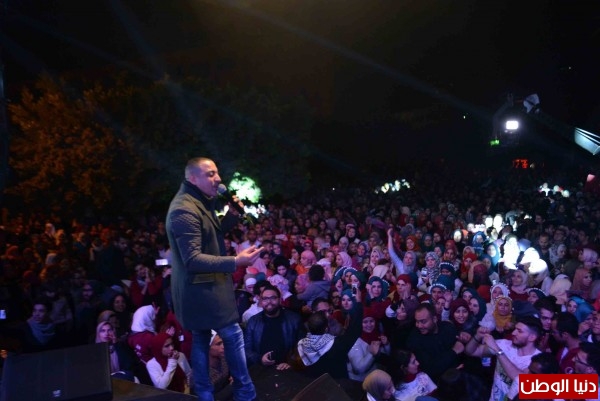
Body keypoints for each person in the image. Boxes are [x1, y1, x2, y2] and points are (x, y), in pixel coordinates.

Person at [166, 157, 263, 401]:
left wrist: (232, 215)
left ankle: (205, 394)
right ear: (192, 178)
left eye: (217, 173)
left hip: (202, 287)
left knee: (201, 338)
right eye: (210, 174)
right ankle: (245, 393)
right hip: (201, 290)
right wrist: (235, 261)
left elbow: (209, 232)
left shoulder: (199, 200)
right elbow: (192, 259)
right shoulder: (183, 209)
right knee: (233, 335)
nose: (218, 179)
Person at [465, 316, 542, 401]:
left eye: (519, 331)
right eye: (515, 329)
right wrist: (477, 336)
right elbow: (471, 352)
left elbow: (522, 382)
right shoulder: (504, 344)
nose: (513, 333)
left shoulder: (539, 360)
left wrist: (498, 350)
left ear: (532, 337)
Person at [244, 285, 304, 369]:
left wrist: (290, 363)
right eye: (265, 299)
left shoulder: (294, 319)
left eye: (273, 298)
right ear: (261, 301)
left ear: (280, 299)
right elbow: (247, 349)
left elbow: (302, 346)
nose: (269, 302)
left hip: (287, 368)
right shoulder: (253, 322)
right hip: (261, 369)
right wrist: (260, 359)